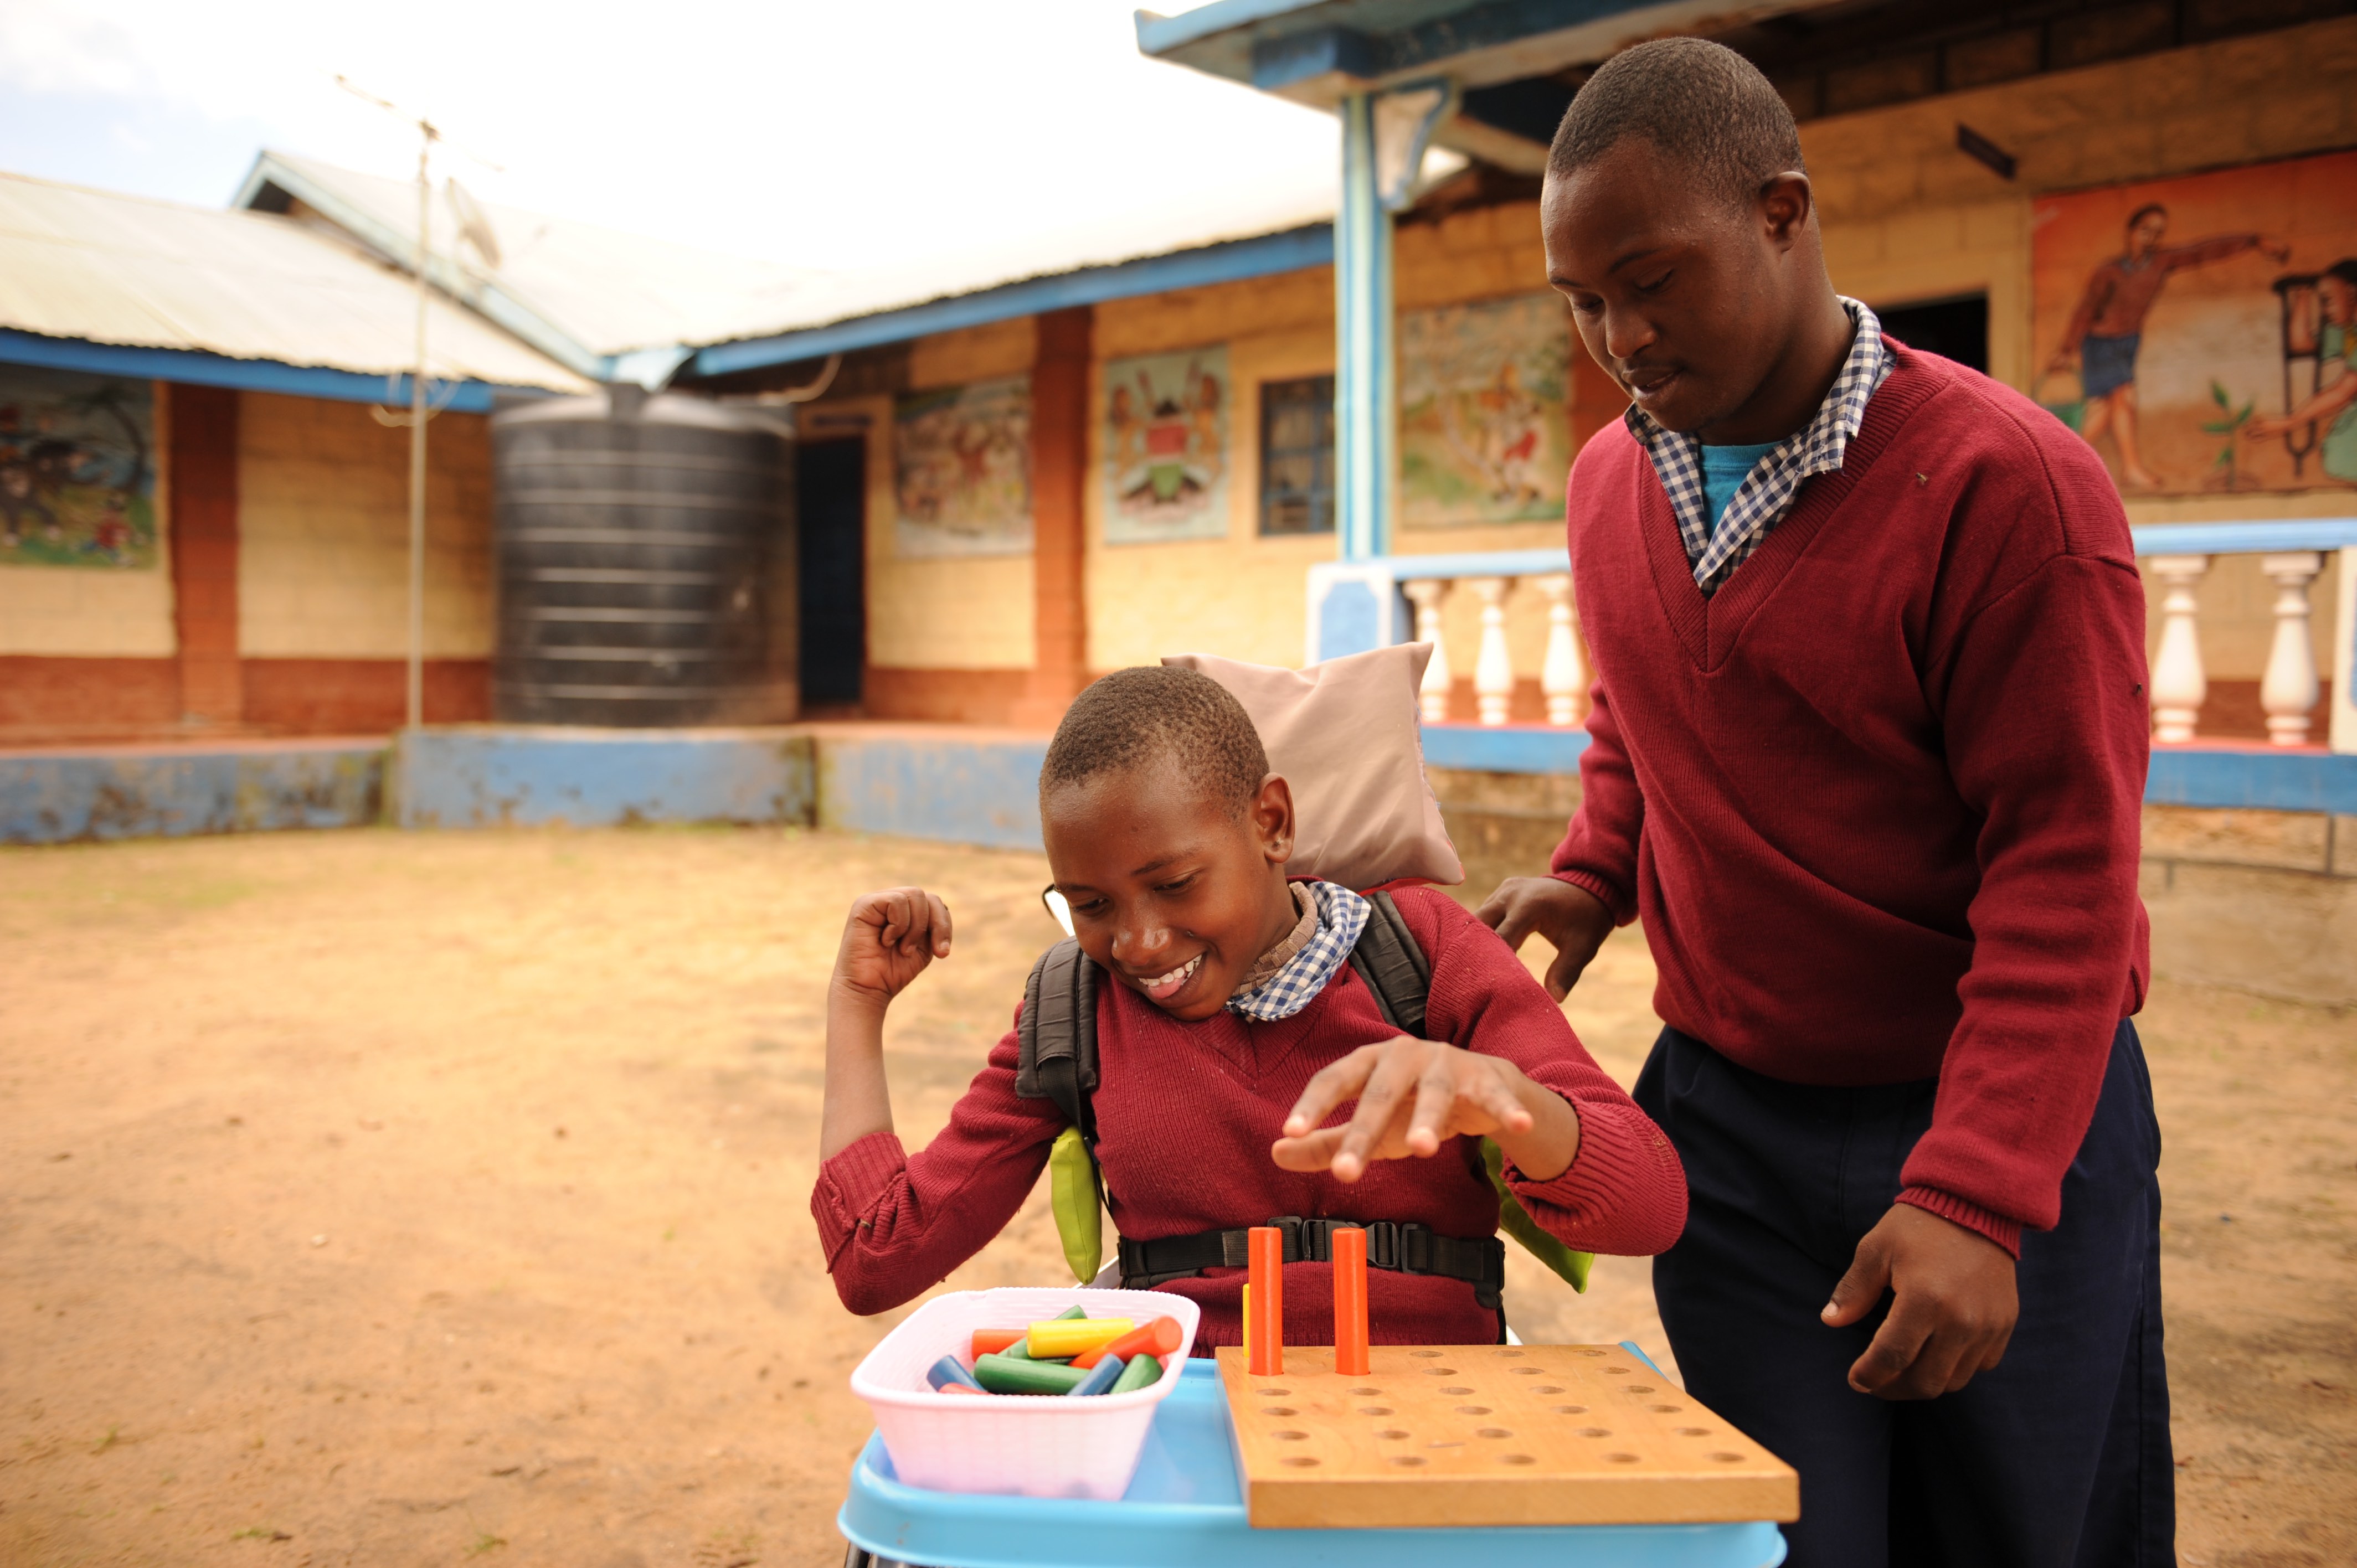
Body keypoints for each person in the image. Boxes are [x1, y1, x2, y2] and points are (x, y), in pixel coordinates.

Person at [1480, 37, 2166, 1567]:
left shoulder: (2012, 491)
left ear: (1782, 213)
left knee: (2017, 1536)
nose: (1622, 336)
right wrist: (1596, 867)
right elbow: (1641, 704)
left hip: (1994, 1110)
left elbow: (2065, 873)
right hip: (1729, 1128)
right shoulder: (1609, 484)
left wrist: (1979, 1197)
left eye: (1652, 279)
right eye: (1583, 301)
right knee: (1788, 1540)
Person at [812, 664, 1686, 1347]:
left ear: (1271, 823)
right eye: (1091, 906)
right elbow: (874, 1259)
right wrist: (857, 1003)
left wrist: (1503, 1100)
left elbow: (1651, 1206)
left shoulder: (1426, 956)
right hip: (1188, 1432)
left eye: (1175, 884)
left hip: (1434, 1427)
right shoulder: (1074, 1012)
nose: (1139, 943)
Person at [2045, 202, 2287, 489]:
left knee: (2109, 407)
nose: (2150, 238)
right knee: (2119, 401)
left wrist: (2253, 241)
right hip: (2101, 345)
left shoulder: (2161, 263)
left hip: (2128, 342)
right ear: (2131, 232)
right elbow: (2086, 309)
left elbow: (2202, 251)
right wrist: (2066, 349)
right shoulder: (2110, 271)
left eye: (2157, 233)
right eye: (2145, 231)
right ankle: (2106, 466)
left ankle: (2063, 461)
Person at [2245, 259, 2357, 483]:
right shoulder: (2347, 331)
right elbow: (2301, 344)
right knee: (2336, 455)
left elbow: (2344, 392)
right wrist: (2303, 297)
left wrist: (2289, 423)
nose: (2324, 310)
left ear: (2352, 293)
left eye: (2327, 301)